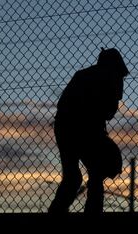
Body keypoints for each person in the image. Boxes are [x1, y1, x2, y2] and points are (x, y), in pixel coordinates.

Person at [48, 48, 129, 214]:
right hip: (85, 129)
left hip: (65, 127)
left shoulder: (82, 75)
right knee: (96, 174)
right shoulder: (113, 78)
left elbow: (63, 106)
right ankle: (91, 218)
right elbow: (109, 112)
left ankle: (55, 215)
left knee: (73, 177)